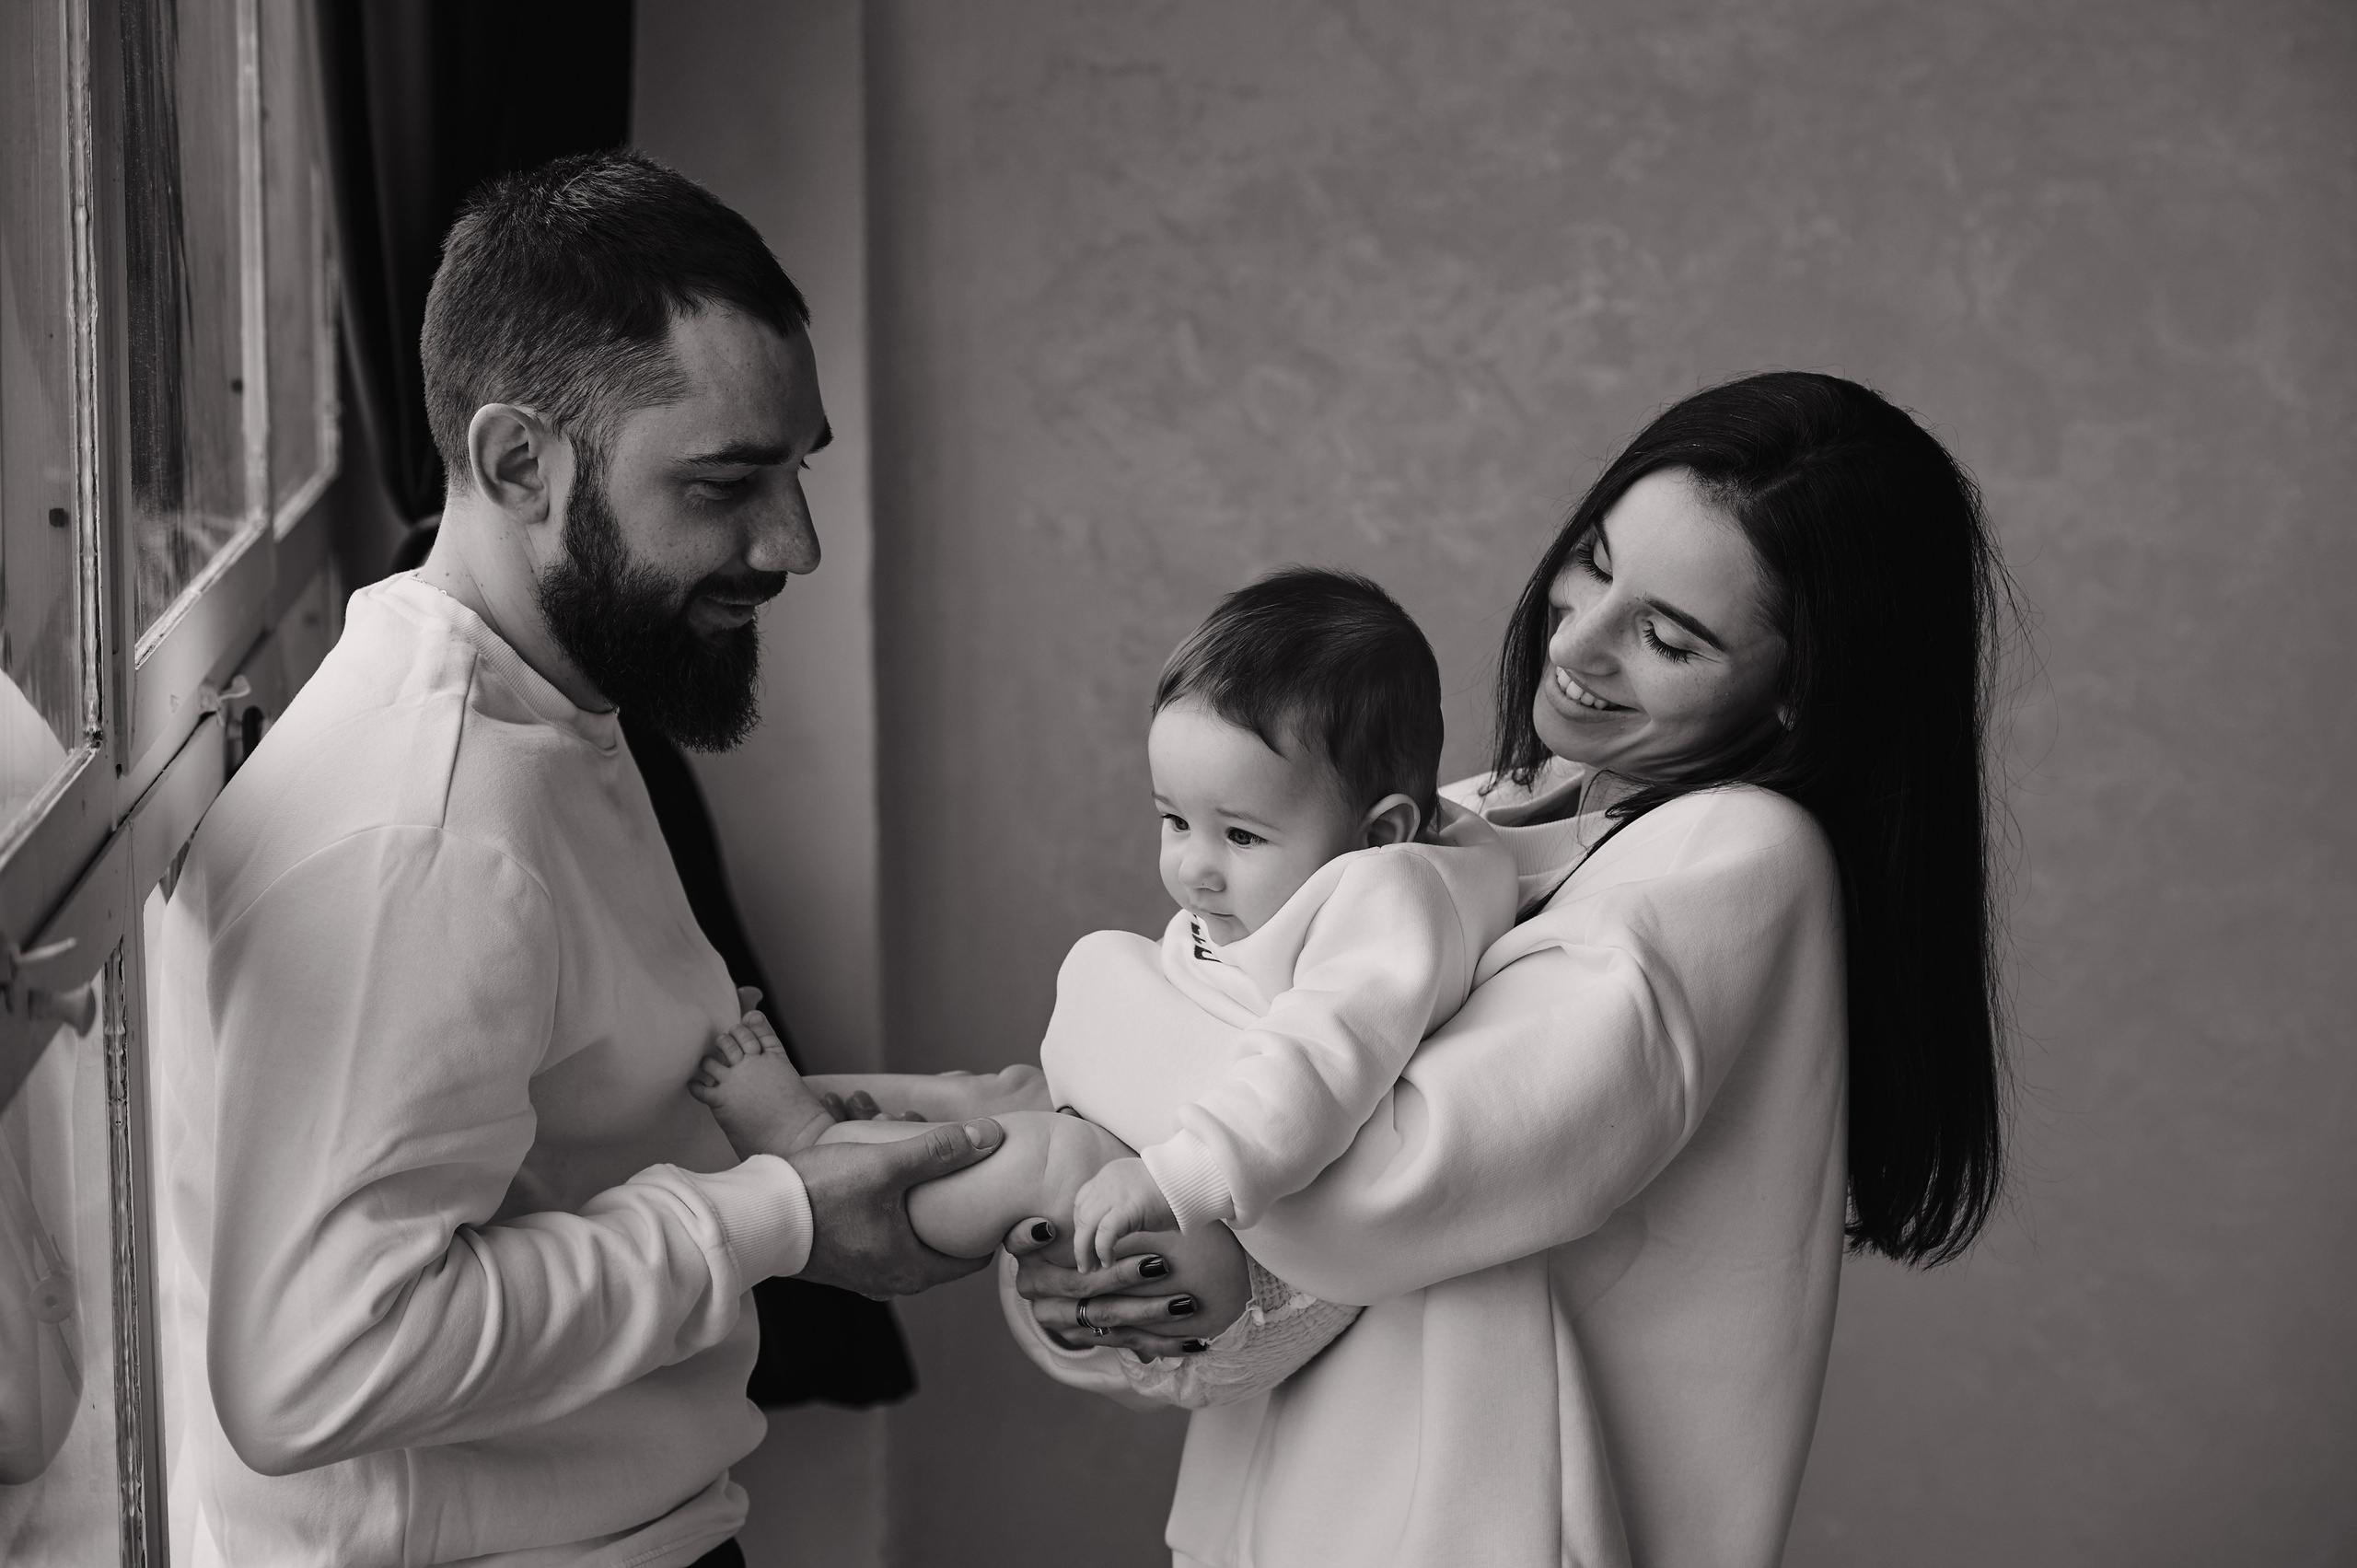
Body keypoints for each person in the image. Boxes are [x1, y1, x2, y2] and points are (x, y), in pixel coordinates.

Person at [153, 151, 1014, 1568]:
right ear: (517, 464)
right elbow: (312, 1365)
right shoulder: (427, 836)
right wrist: (782, 1214)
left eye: (797, 468)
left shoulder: (547, 706)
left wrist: (930, 1125)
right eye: (727, 482)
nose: (793, 543)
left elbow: (567, 1118)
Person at [1004, 371, 2013, 1568]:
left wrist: (1097, 1009)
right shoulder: (1469, 817)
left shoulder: (1736, 858)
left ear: (1804, 688)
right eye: (1593, 561)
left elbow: (1363, 1199)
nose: (1575, 639)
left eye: (1666, 635)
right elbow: (1315, 1271)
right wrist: (1124, 1285)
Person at [690, 569, 1517, 1400]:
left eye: (1240, 835)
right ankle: (823, 1121)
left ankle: (811, 1153)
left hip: (1263, 1259)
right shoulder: (1337, 870)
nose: (1193, 869)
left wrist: (1172, 1179)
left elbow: (1316, 1066)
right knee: (1009, 1096)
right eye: (1175, 821)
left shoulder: (1391, 901)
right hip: (1210, 1185)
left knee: (1055, 1154)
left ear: (1380, 832)